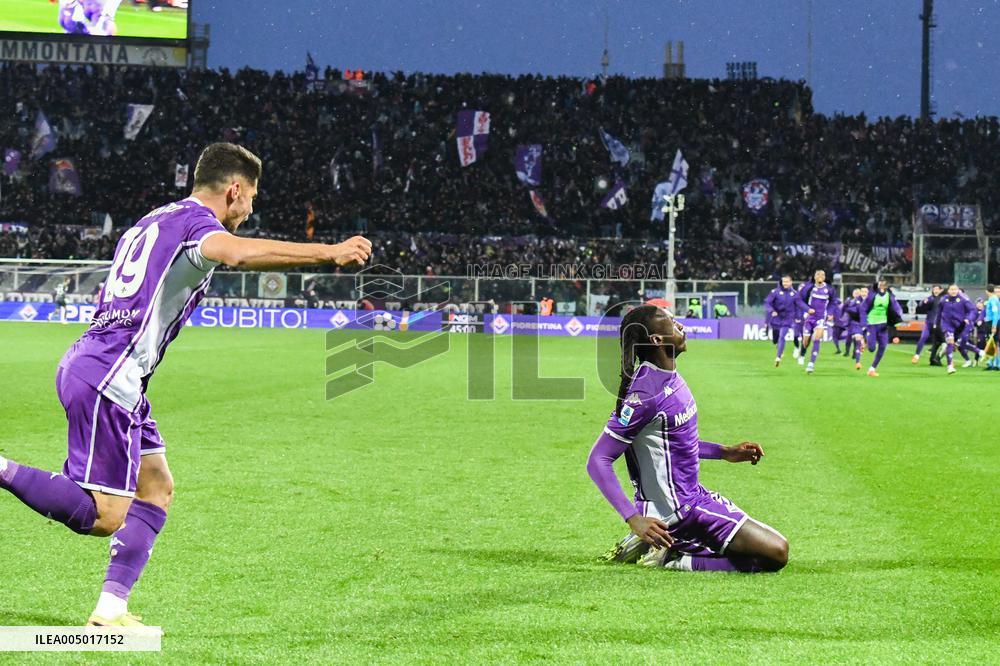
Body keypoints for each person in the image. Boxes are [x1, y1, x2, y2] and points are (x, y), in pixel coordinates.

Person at [0, 143, 372, 629]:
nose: (252, 207)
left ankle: (109, 611)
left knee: (156, 488)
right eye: (253, 197)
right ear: (234, 190)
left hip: (110, 370)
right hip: (110, 374)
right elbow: (235, 255)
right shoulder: (200, 225)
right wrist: (330, 251)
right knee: (106, 514)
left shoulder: (153, 220)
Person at [587, 305, 788, 573]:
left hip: (693, 497)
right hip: (679, 511)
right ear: (658, 340)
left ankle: (670, 546)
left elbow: (676, 443)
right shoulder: (646, 394)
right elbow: (598, 460)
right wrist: (634, 519)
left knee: (769, 550)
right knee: (776, 553)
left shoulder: (669, 377)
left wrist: (724, 452)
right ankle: (671, 557)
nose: (680, 326)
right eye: (671, 322)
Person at [797, 270, 840, 374]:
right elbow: (798, 299)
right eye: (818, 274)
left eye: (822, 275)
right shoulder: (808, 287)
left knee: (817, 338)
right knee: (805, 341)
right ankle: (802, 353)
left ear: (825, 277)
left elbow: (833, 302)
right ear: (814, 276)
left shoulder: (829, 289)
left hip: (821, 318)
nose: (820, 276)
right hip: (809, 317)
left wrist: (830, 313)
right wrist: (807, 309)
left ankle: (811, 364)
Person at [861, 279, 904, 377]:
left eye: (884, 285)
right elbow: (863, 308)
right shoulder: (872, 295)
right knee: (871, 348)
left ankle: (872, 369)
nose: (882, 286)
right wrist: (864, 323)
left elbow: (895, 307)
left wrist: (898, 315)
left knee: (883, 346)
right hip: (872, 323)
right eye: (880, 284)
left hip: (883, 324)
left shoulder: (889, 296)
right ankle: (865, 340)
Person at [938, 284, 976, 375]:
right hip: (947, 325)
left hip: (960, 326)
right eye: (951, 289)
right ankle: (950, 366)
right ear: (948, 291)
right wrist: (937, 324)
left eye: (955, 289)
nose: (953, 291)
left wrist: (968, 318)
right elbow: (939, 312)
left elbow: (973, 310)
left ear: (958, 290)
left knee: (959, 343)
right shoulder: (944, 300)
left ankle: (978, 353)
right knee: (950, 342)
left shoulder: (963, 299)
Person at [912, 285, 944, 365]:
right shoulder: (930, 298)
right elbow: (921, 305)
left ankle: (940, 359)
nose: (935, 291)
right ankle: (916, 355)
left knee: (940, 343)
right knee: (923, 338)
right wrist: (923, 302)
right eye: (934, 289)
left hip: (939, 324)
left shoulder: (943, 299)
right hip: (929, 322)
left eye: (937, 289)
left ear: (941, 290)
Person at [843, 287, 869, 370]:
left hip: (868, 325)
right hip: (857, 323)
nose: (864, 293)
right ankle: (858, 362)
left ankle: (863, 346)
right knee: (858, 340)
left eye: (866, 292)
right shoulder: (855, 301)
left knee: (868, 346)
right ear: (860, 292)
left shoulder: (871, 302)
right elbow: (849, 308)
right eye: (862, 291)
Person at [985, 285, 1000, 371]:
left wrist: (994, 325)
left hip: (992, 322)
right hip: (991, 322)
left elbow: (995, 313)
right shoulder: (994, 299)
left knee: (994, 343)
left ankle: (996, 364)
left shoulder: (993, 299)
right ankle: (991, 363)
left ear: (987, 291)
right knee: (991, 343)